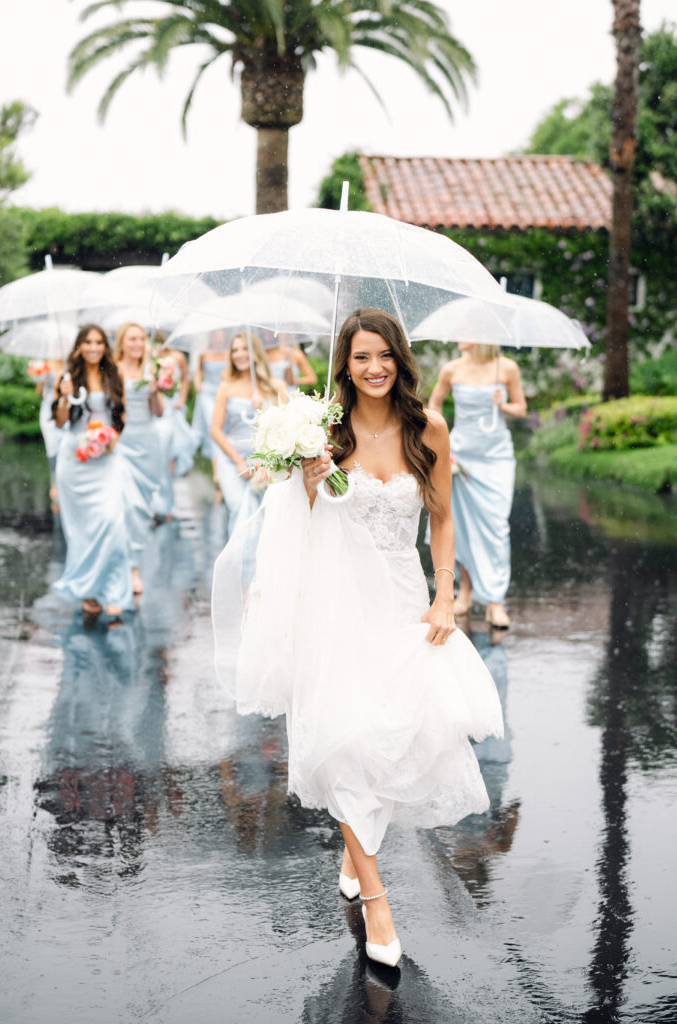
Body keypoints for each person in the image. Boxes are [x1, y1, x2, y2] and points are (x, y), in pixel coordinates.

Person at [212, 309, 503, 967]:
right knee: (339, 736)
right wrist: (310, 485)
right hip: (333, 603)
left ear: (400, 360)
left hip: (401, 601)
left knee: (394, 736)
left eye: (385, 356)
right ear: (344, 363)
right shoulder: (323, 434)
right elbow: (300, 527)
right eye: (361, 357)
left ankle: (355, 848)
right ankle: (376, 898)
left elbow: (442, 520)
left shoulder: (428, 427)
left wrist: (445, 599)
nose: (374, 368)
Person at [428, 342, 526, 629]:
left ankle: (496, 601)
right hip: (460, 454)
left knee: (496, 527)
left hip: (496, 457)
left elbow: (521, 408)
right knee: (460, 524)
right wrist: (440, 442)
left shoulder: (507, 368)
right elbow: (434, 404)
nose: (460, 334)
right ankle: (466, 591)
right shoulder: (452, 368)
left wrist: (503, 404)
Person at [51, 324, 131, 617]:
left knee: (112, 522)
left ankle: (114, 589)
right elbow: (60, 422)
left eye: (99, 342)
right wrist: (63, 395)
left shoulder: (114, 375)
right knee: (82, 531)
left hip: (107, 458)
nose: (94, 347)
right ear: (79, 346)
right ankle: (89, 593)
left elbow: (121, 416)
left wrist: (111, 442)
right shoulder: (69, 377)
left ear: (105, 346)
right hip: (75, 461)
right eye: (88, 342)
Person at [210, 332, 287, 534]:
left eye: (245, 349)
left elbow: (287, 428)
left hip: (266, 461)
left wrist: (264, 409)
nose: (239, 354)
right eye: (235, 350)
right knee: (239, 509)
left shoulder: (276, 387)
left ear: (256, 353)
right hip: (233, 461)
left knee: (265, 515)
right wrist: (238, 461)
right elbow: (215, 430)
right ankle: (240, 563)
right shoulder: (225, 387)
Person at [114, 322, 164, 595]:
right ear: (122, 342)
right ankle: (130, 567)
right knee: (128, 505)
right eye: (132, 338)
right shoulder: (114, 369)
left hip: (147, 441)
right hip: (123, 441)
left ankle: (133, 561)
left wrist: (155, 391)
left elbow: (158, 412)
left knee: (142, 508)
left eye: (141, 338)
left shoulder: (151, 369)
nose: (137, 343)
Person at [150, 334, 194, 521]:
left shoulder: (178, 357)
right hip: (158, 407)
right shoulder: (150, 358)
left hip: (173, 406)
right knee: (158, 457)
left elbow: (184, 379)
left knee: (172, 457)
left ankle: (168, 502)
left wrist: (182, 399)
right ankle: (157, 501)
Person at [192, 330, 229, 494]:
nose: (219, 339)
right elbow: (198, 371)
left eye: (222, 336)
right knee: (212, 429)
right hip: (207, 395)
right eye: (216, 336)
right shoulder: (204, 354)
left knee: (223, 428)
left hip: (223, 393)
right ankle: (216, 473)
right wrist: (198, 383)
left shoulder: (229, 354)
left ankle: (224, 465)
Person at [33, 358, 64, 506]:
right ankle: (55, 483)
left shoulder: (70, 363)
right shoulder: (46, 364)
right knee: (52, 447)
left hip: (65, 409)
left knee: (65, 446)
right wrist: (42, 378)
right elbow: (39, 393)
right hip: (48, 411)